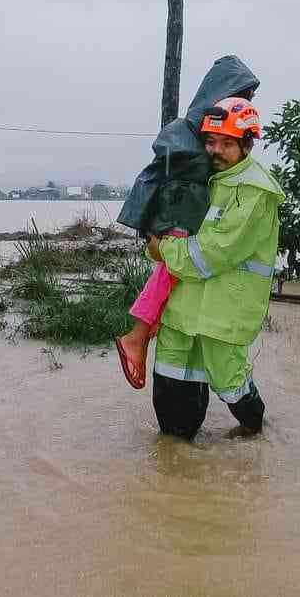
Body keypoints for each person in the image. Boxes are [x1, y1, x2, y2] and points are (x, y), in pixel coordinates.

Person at [113, 56, 260, 389]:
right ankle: (136, 336)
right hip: (177, 216)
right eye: (242, 95)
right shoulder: (192, 132)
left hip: (177, 218)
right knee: (170, 272)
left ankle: (142, 336)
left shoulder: (195, 128)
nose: (245, 102)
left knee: (171, 279)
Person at [146, 98, 283, 438]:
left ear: (247, 144)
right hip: (184, 305)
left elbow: (215, 252)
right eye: (210, 141)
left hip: (225, 311)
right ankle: (175, 461)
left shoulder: (254, 191)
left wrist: (162, 248)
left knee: (229, 381)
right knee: (171, 376)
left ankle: (257, 435)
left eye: (226, 143)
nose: (215, 150)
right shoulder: (204, 177)